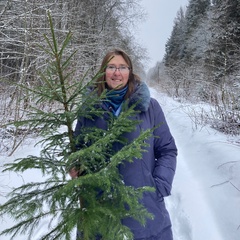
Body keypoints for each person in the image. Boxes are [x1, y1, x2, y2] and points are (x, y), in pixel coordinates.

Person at [72, 48, 177, 240]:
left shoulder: (150, 107)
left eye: (122, 67)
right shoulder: (89, 108)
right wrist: (75, 165)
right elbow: (78, 147)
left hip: (142, 205)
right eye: (111, 67)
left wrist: (159, 185)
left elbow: (167, 150)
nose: (116, 72)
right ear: (103, 71)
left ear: (130, 71)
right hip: (99, 203)